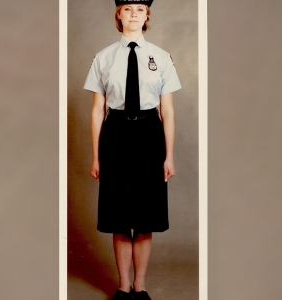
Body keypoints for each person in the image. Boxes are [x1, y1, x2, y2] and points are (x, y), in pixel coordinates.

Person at [83, 1, 181, 299]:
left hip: (150, 134)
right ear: (118, 15)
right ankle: (123, 288)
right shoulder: (103, 58)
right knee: (120, 216)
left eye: (140, 9)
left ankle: (140, 288)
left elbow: (168, 111)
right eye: (127, 9)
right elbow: (98, 110)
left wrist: (169, 155)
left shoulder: (161, 57)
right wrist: (96, 155)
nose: (134, 14)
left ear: (147, 15)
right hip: (115, 136)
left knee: (145, 216)